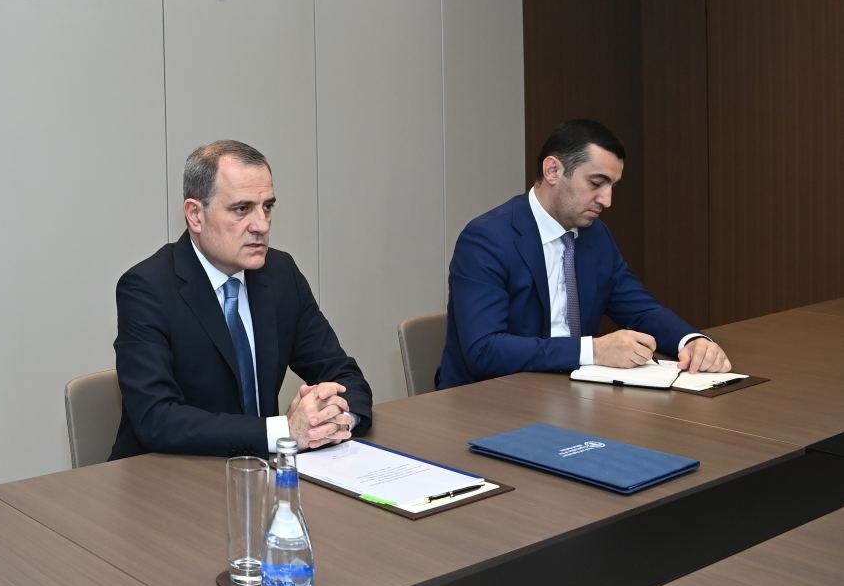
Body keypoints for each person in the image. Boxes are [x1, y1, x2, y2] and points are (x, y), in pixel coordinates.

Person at [111, 140, 373, 459]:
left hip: (261, 471)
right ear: (195, 215)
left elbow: (344, 375)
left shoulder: (280, 274)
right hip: (167, 475)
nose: (261, 225)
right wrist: (284, 432)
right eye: (242, 209)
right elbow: (156, 419)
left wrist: (334, 419)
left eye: (267, 207)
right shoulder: (147, 288)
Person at [439, 119, 732, 389]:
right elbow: (484, 350)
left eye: (612, 186)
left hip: (572, 393)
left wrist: (690, 341)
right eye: (596, 183)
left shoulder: (596, 236)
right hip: (490, 398)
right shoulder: (486, 239)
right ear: (553, 171)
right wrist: (595, 350)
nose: (607, 200)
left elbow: (640, 309)